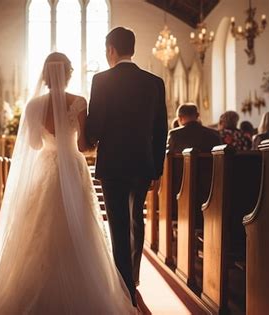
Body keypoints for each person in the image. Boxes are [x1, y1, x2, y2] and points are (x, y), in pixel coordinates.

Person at [0, 53, 136, 314]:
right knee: (78, 226)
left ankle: (32, 289)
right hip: (71, 165)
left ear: (45, 75)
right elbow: (83, 145)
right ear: (68, 74)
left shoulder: (34, 105)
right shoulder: (79, 102)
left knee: (39, 226)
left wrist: (50, 139)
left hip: (45, 167)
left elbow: (33, 144)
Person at [86, 27, 167, 308]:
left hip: (112, 163)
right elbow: (161, 129)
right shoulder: (154, 82)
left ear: (110, 50)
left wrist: (86, 138)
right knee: (136, 219)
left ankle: (125, 288)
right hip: (143, 162)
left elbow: (95, 124)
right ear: (132, 48)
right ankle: (133, 276)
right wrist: (157, 168)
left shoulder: (101, 80)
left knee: (118, 224)